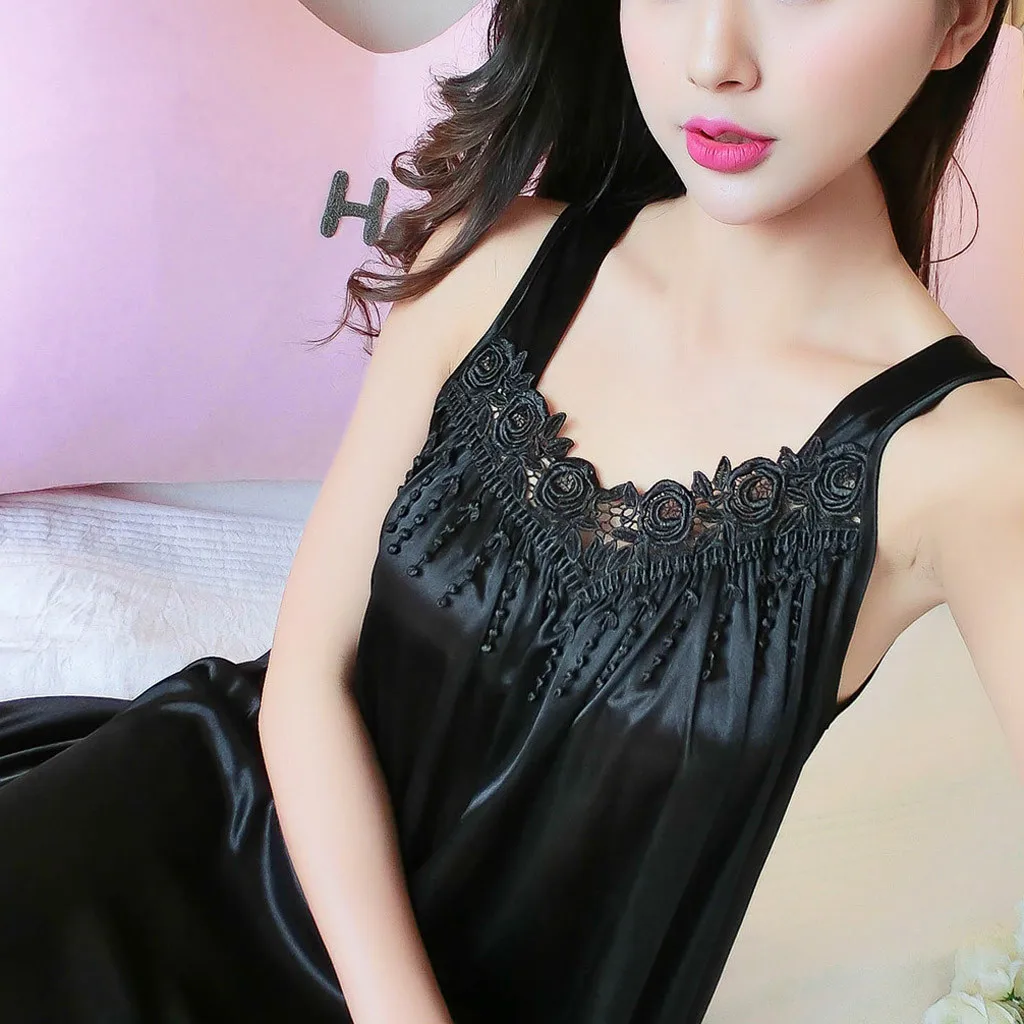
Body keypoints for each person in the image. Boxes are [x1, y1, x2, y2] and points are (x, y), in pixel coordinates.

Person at [1, 1, 1022, 1022]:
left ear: (962, 19)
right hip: (194, 843)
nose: (715, 58)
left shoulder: (967, 462)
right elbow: (307, 680)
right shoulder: (491, 261)